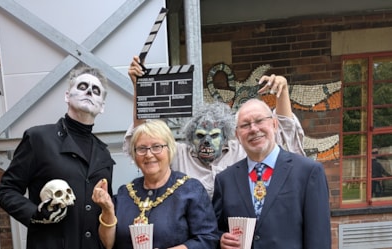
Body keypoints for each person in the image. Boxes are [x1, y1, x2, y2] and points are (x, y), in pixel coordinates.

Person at [125, 55, 306, 198]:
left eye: (214, 136)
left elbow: (283, 134)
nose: (207, 142)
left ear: (227, 136)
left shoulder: (242, 150)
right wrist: (140, 89)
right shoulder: (178, 154)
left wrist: (282, 93)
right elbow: (141, 139)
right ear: (190, 138)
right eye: (200, 135)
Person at [0, 65, 116, 249]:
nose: (90, 91)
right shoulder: (39, 139)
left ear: (102, 107)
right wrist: (35, 214)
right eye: (82, 86)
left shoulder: (104, 154)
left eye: (96, 90)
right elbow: (6, 190)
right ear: (67, 96)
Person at [212, 98, 331, 249]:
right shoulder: (225, 180)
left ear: (274, 124)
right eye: (245, 125)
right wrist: (220, 239)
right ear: (237, 135)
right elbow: (213, 231)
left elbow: (319, 237)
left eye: (259, 120)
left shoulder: (308, 172)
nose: (253, 129)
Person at [92, 119, 219, 249]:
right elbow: (107, 244)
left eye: (156, 147)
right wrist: (107, 210)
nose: (148, 154)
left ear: (169, 150)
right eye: (141, 148)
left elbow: (208, 239)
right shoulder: (125, 193)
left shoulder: (191, 190)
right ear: (135, 155)